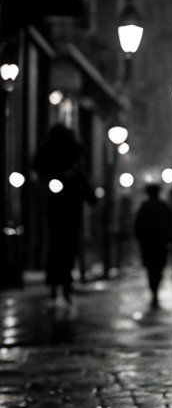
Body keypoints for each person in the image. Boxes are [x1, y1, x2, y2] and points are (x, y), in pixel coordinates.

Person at [30, 124, 88, 314]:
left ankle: (61, 284)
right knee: (65, 244)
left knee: (58, 244)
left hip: (64, 203)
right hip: (65, 204)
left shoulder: (60, 150)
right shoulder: (65, 150)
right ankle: (62, 284)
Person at [133, 183, 172, 308]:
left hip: (148, 243)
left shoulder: (144, 207)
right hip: (161, 243)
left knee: (150, 268)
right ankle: (155, 289)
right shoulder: (164, 206)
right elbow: (171, 224)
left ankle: (153, 289)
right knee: (159, 267)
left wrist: (140, 238)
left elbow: (138, 226)